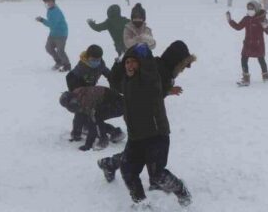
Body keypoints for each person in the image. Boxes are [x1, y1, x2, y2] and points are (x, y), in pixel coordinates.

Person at [96, 44, 192, 207]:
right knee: (128, 171)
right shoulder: (127, 82)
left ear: (141, 64)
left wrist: (142, 51)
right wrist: (119, 62)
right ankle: (141, 203)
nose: (130, 65)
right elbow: (114, 80)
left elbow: (150, 71)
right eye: (127, 63)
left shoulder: (149, 78)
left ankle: (181, 190)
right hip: (136, 137)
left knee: (157, 175)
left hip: (156, 135)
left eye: (134, 62)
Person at [65, 44, 116, 142]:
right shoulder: (81, 67)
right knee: (80, 113)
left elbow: (107, 72)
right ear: (87, 58)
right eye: (93, 59)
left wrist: (113, 78)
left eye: (98, 59)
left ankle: (110, 130)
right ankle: (76, 133)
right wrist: (76, 92)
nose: (96, 62)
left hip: (91, 93)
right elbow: (69, 77)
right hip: (80, 92)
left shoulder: (100, 64)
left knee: (91, 115)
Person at [59, 86, 125, 151]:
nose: (70, 107)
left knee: (95, 117)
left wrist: (88, 145)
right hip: (107, 102)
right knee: (87, 116)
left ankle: (103, 140)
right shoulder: (78, 97)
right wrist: (76, 134)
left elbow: (93, 122)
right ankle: (116, 132)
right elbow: (78, 116)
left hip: (119, 105)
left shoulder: (86, 99)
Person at [227, 1, 268, 86]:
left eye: (252, 9)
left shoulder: (261, 19)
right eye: (248, 9)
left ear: (256, 9)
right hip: (248, 44)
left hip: (258, 45)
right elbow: (238, 27)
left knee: (261, 60)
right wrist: (230, 21)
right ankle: (246, 78)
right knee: (243, 59)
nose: (250, 11)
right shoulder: (246, 19)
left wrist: (265, 27)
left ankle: (265, 77)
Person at [36, 0, 71, 71]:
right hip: (53, 33)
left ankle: (67, 65)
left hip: (61, 34)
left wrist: (42, 20)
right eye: (45, 2)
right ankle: (59, 61)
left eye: (48, 1)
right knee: (48, 48)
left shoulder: (56, 11)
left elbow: (52, 24)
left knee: (60, 50)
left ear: (53, 1)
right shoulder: (50, 10)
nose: (47, 3)